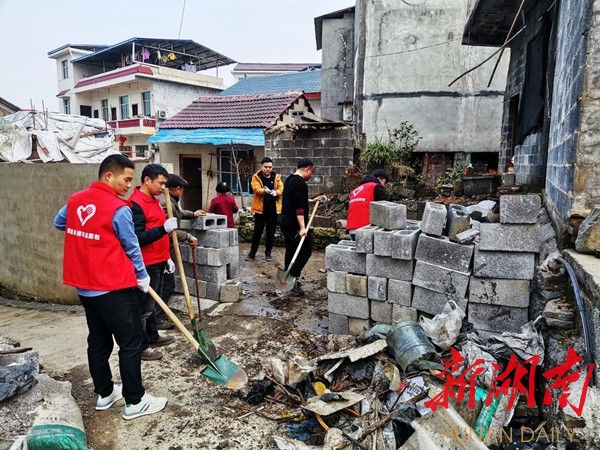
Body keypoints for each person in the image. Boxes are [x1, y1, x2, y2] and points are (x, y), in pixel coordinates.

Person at [54, 154, 167, 420]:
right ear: (109, 176)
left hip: (85, 287)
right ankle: (134, 402)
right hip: (113, 286)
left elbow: (59, 223)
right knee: (130, 342)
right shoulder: (119, 208)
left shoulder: (75, 199)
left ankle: (105, 394)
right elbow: (132, 247)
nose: (129, 184)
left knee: (98, 340)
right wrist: (142, 277)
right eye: (127, 179)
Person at [129, 164, 177, 361]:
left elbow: (157, 229)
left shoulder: (155, 201)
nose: (163, 188)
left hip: (158, 260)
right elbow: (138, 237)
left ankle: (153, 336)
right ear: (147, 180)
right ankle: (141, 347)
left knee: (152, 306)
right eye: (161, 183)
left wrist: (166, 256)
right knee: (144, 308)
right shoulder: (135, 205)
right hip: (146, 264)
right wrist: (163, 230)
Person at [158, 173, 206, 329]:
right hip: (163, 250)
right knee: (166, 284)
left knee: (166, 283)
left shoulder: (172, 202)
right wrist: (187, 235)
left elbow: (178, 213)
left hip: (168, 250)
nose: (183, 192)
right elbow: (167, 230)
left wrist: (193, 214)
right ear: (177, 189)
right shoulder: (166, 204)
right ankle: (157, 317)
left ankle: (158, 314)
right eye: (182, 189)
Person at [280, 158, 322, 296]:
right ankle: (292, 277)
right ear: (307, 169)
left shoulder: (290, 179)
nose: (312, 175)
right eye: (312, 172)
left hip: (286, 222)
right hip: (294, 224)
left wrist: (312, 201)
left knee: (291, 250)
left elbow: (298, 200)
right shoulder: (300, 183)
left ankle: (288, 279)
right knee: (306, 249)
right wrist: (303, 228)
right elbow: (299, 208)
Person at [245, 157, 283, 261]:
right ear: (262, 167)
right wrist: (265, 191)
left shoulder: (276, 177)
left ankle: (268, 253)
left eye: (270, 167)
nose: (268, 169)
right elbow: (256, 189)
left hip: (273, 210)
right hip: (260, 210)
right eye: (266, 167)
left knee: (270, 233)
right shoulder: (256, 177)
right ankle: (252, 253)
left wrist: (276, 192)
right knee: (257, 232)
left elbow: (281, 188)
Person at [346, 169, 390, 239]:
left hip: (352, 228)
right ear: (379, 179)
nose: (384, 186)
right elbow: (387, 207)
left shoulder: (355, 190)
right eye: (384, 182)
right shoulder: (375, 187)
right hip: (366, 229)